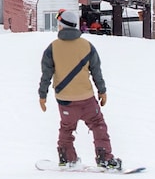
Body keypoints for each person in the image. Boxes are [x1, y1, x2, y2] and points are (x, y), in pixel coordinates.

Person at [38, 10, 121, 170]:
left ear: (61, 26)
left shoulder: (52, 48)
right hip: (86, 98)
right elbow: (97, 72)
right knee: (98, 125)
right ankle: (104, 158)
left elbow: (46, 75)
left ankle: (66, 158)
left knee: (67, 128)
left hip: (65, 99)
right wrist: (102, 91)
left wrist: (42, 95)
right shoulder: (87, 46)